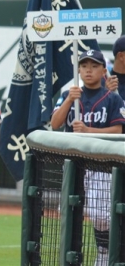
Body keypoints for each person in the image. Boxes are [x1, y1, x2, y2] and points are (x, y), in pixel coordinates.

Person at [50, 49, 125, 266]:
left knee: (101, 216)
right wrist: (68, 100)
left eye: (93, 66)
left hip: (102, 165)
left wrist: (88, 130)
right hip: (74, 164)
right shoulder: (69, 94)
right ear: (78, 70)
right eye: (84, 66)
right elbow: (55, 124)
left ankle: (103, 254)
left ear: (103, 70)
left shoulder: (112, 98)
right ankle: (71, 256)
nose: (88, 70)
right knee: (70, 212)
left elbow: (119, 130)